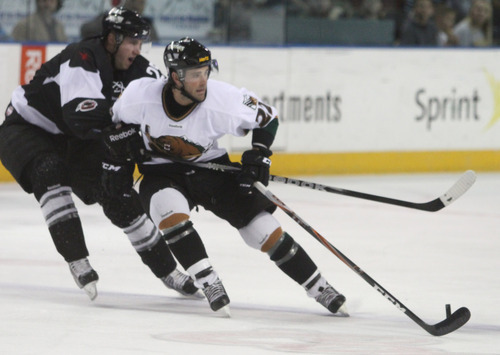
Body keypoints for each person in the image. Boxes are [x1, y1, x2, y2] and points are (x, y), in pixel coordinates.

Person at [101, 37, 347, 315]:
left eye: (206, 72)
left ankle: (319, 287)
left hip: (211, 169)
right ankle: (209, 282)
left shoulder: (221, 99)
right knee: (166, 209)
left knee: (263, 229)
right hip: (160, 172)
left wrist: (259, 153)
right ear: (174, 77)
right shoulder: (140, 96)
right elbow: (114, 124)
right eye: (195, 75)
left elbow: (268, 117)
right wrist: (115, 157)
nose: (203, 81)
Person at [0, 7, 198, 301]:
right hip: (26, 129)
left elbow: (166, 104)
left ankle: (169, 271)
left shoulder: (139, 69)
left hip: (74, 139)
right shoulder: (82, 57)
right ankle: (77, 259)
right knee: (48, 170)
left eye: (140, 43)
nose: (136, 49)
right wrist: (131, 132)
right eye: (131, 41)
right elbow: (80, 116)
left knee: (116, 191)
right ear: (112, 38)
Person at [80, 0, 158, 42]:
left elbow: (154, 45)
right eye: (133, 1)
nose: (137, 6)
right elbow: (86, 29)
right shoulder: (111, 18)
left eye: (141, 2)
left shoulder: (146, 24)